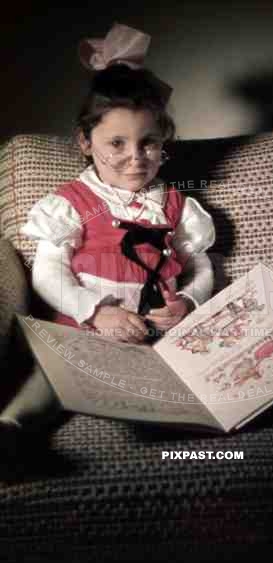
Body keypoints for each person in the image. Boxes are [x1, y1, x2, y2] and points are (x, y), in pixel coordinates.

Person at [0, 23, 215, 448]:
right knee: (51, 375)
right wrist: (94, 312)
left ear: (163, 142)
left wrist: (190, 301)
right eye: (117, 143)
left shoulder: (178, 206)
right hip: (85, 334)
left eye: (149, 143)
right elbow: (48, 273)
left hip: (159, 340)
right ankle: (13, 428)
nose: (135, 158)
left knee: (202, 375)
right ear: (85, 141)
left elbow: (202, 264)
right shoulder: (71, 203)